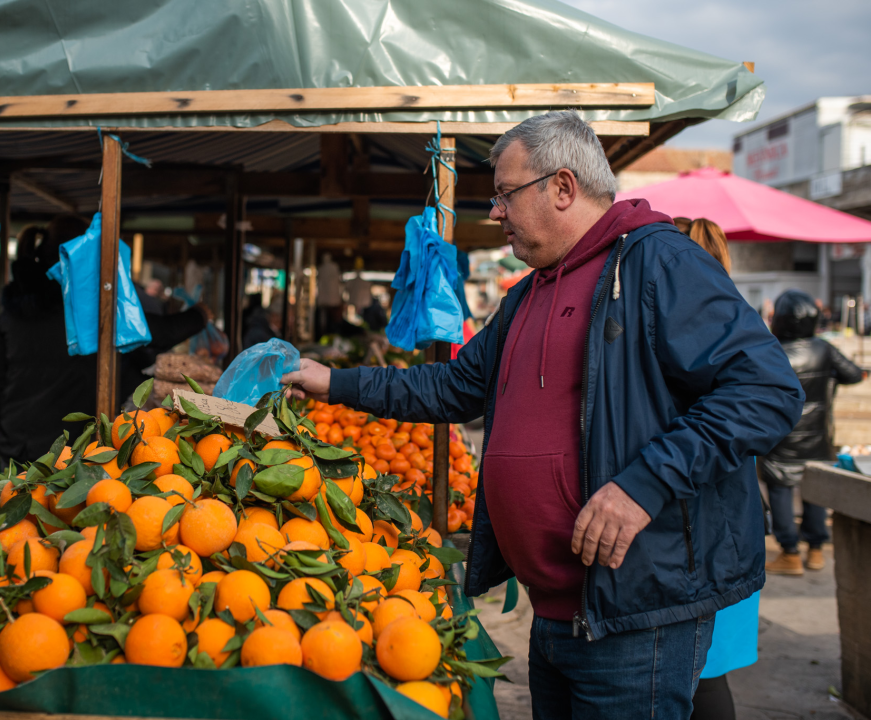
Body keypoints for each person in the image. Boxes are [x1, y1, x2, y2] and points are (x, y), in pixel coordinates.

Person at [283, 111, 804, 719]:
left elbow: (766, 389)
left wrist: (644, 484)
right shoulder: (525, 295)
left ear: (563, 187)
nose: (495, 212)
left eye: (505, 194)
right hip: (554, 613)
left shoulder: (657, 264)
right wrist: (333, 382)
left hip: (634, 615)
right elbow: (453, 388)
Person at [682, 218, 754, 720]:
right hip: (734, 521)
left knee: (696, 674)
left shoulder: (691, 325)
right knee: (708, 672)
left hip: (700, 525)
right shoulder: (740, 318)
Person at [761, 289, 863, 575]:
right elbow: (853, 374)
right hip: (817, 436)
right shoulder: (824, 348)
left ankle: (790, 552)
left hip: (781, 437)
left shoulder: (770, 350)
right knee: (815, 491)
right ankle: (816, 551)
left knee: (781, 490)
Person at [0, 215, 97, 462]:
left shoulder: (12, 307)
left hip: (17, 443)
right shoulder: (84, 309)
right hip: (70, 452)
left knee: (12, 500)